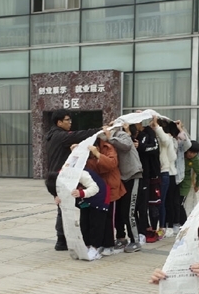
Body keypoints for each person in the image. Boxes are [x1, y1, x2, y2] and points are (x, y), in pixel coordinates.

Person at [45, 109, 101, 251]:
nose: (70, 123)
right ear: (59, 122)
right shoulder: (60, 136)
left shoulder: (52, 136)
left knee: (64, 208)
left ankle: (64, 239)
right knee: (66, 209)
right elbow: (79, 135)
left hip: (55, 177)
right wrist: (99, 130)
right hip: (61, 178)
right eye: (67, 120)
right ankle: (62, 240)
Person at [45, 168, 109, 260]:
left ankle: (95, 248)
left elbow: (95, 188)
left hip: (99, 197)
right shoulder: (59, 180)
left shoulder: (80, 174)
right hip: (84, 200)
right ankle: (86, 246)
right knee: (84, 223)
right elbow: (58, 191)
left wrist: (81, 193)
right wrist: (56, 197)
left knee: (96, 224)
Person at [86, 128, 126, 256]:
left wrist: (98, 154)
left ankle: (109, 244)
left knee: (110, 218)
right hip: (99, 189)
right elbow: (91, 168)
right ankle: (100, 243)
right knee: (99, 218)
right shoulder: (88, 151)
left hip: (111, 186)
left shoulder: (108, 147)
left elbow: (112, 163)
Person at [109, 122, 144, 253]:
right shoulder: (113, 138)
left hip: (132, 175)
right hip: (121, 178)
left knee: (129, 211)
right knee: (119, 210)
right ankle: (121, 237)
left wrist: (110, 137)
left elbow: (127, 145)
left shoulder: (121, 135)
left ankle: (135, 241)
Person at [178, 140, 199, 230]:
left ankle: (183, 223)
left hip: (185, 182)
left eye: (194, 153)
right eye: (190, 152)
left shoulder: (195, 160)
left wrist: (197, 185)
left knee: (180, 203)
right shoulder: (180, 154)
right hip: (175, 180)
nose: (191, 155)